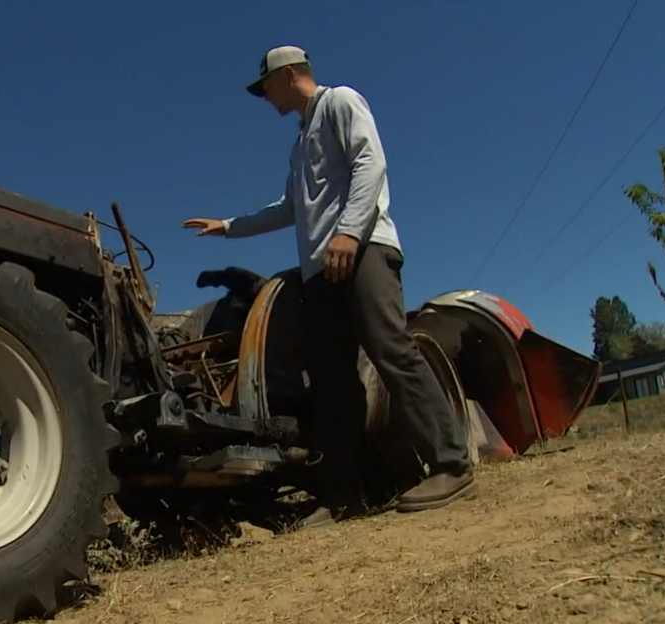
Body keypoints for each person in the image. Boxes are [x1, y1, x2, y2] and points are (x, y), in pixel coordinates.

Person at [183, 45, 474, 525]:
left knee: (391, 350)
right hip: (322, 271)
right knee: (331, 381)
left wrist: (348, 231)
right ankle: (345, 496)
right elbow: (289, 208)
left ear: (291, 75)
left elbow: (369, 163)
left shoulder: (340, 101)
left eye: (266, 86)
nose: (264, 97)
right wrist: (229, 225)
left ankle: (451, 464)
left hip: (362, 251)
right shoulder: (299, 144)